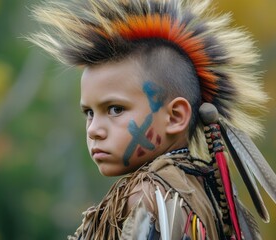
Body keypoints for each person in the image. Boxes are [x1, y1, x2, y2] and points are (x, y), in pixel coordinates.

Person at [29, 0, 276, 239]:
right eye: (89, 113)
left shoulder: (148, 195)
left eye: (115, 109)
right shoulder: (201, 187)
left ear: (175, 117)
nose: (94, 130)